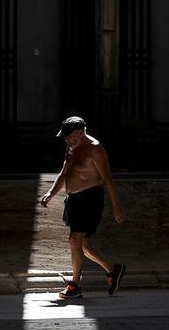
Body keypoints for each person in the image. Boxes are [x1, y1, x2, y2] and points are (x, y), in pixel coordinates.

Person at [39, 116, 126, 299]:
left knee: (74, 240)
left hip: (90, 199)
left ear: (80, 132)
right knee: (84, 245)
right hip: (73, 200)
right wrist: (50, 193)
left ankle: (75, 285)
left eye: (68, 136)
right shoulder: (71, 147)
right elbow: (64, 173)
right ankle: (113, 270)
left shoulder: (95, 149)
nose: (66, 139)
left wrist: (116, 207)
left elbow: (108, 179)